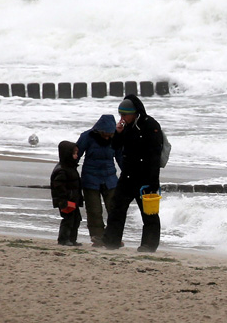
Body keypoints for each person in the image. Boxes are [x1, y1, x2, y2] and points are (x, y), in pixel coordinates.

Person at [101, 94, 163, 252]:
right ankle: (111, 242)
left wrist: (153, 181)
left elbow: (155, 156)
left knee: (149, 214)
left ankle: (149, 245)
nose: (122, 118)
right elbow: (115, 147)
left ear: (134, 112)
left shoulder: (150, 125)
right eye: (120, 114)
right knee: (117, 209)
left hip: (145, 178)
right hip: (127, 176)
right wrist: (119, 133)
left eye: (125, 114)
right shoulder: (126, 128)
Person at [76, 114, 122, 246]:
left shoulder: (116, 139)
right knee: (94, 210)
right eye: (105, 134)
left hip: (110, 179)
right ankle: (97, 237)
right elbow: (76, 154)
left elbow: (120, 158)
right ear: (98, 131)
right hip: (90, 179)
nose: (107, 137)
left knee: (114, 209)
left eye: (110, 135)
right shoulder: (86, 137)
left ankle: (113, 237)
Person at [50, 140, 84, 246]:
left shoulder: (71, 167)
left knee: (76, 219)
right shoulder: (62, 170)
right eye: (74, 153)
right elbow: (59, 187)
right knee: (68, 220)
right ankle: (63, 239)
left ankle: (72, 239)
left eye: (76, 153)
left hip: (73, 199)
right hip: (65, 200)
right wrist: (64, 199)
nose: (76, 156)